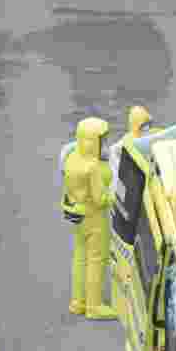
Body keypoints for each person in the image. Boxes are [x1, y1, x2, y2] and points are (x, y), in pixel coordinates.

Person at [61, 116, 118, 319]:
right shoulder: (93, 168)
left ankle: (78, 302)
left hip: (79, 215)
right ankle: (94, 306)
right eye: (103, 139)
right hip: (95, 218)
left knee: (79, 257)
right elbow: (100, 198)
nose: (106, 144)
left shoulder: (72, 157)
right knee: (96, 260)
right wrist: (115, 196)